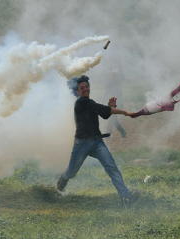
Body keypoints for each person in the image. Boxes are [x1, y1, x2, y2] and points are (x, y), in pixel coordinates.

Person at [57, 75, 140, 205]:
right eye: (82, 88)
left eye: (87, 86)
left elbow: (104, 114)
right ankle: (64, 178)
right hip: (82, 143)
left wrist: (110, 107)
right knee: (71, 172)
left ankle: (125, 197)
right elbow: (102, 109)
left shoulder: (90, 103)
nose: (85, 89)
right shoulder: (81, 103)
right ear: (77, 92)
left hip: (97, 142)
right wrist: (125, 112)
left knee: (112, 168)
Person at [102, 69, 127, 137]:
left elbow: (108, 93)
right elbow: (107, 92)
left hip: (114, 103)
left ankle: (109, 133)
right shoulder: (114, 83)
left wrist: (102, 100)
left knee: (112, 118)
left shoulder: (112, 83)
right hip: (113, 102)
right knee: (112, 118)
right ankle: (121, 132)